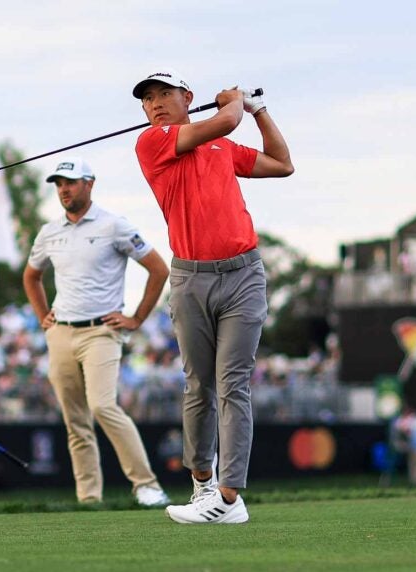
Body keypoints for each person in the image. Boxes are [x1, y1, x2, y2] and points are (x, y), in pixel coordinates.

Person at [131, 69, 294, 523]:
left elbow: (281, 164)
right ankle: (203, 483)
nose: (155, 103)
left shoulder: (221, 145)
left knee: (232, 383)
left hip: (244, 275)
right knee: (198, 385)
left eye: (165, 94)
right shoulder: (153, 141)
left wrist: (258, 110)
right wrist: (234, 102)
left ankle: (228, 497)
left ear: (187, 97)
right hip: (189, 279)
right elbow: (224, 121)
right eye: (147, 99)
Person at [22, 157, 171, 507]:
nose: (64, 190)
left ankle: (147, 485)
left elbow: (158, 269)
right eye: (59, 184)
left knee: (103, 406)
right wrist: (43, 315)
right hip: (61, 333)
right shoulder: (49, 232)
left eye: (70, 183)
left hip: (101, 332)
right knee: (75, 421)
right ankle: (89, 498)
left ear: (89, 184)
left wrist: (135, 318)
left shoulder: (114, 226)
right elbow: (31, 276)